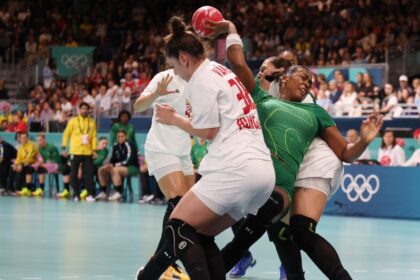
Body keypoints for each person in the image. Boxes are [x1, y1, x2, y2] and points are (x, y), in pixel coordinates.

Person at [206, 19, 383, 280]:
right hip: (258, 178)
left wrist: (365, 141)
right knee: (271, 232)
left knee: (282, 230)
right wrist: (231, 30)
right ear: (284, 78)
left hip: (296, 179)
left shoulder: (315, 111)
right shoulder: (264, 97)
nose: (307, 84)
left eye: (310, 82)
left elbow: (345, 153)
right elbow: (239, 63)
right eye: (303, 78)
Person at [136, 17, 275, 280]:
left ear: (184, 59)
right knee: (199, 233)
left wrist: (174, 119)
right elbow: (236, 57)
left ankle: (149, 276)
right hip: (263, 173)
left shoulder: (201, 80)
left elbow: (208, 132)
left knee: (177, 227)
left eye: (174, 66)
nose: (175, 72)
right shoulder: (223, 72)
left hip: (235, 169)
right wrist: (231, 29)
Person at [133, 51, 195, 279]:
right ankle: (163, 264)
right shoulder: (165, 78)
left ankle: (159, 262)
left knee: (188, 211)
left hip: (183, 151)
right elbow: (138, 106)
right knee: (178, 203)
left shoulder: (200, 81)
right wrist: (156, 94)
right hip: (162, 148)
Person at [61, 102, 98, 202]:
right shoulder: (73, 121)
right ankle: (76, 194)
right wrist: (64, 147)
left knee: (89, 174)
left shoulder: (92, 122)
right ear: (79, 110)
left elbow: (94, 137)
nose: (84, 110)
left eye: (86, 109)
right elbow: (66, 134)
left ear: (88, 110)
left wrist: (94, 150)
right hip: (75, 151)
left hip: (87, 152)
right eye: (82, 109)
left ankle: (90, 194)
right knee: (73, 173)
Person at [97, 130, 138, 202]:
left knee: (115, 169)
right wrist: (108, 165)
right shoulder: (115, 146)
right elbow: (112, 159)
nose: (120, 138)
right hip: (117, 166)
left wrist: (114, 165)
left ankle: (118, 192)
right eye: (118, 137)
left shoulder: (130, 145)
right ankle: (103, 191)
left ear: (126, 137)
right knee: (101, 169)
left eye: (122, 136)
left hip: (131, 167)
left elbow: (129, 160)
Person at [14, 132, 42, 196]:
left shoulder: (32, 145)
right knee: (13, 168)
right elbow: (18, 158)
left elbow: (29, 157)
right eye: (22, 138)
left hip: (33, 163)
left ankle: (26, 188)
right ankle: (12, 188)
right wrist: (16, 165)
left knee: (25, 168)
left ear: (27, 138)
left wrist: (21, 164)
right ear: (20, 139)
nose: (23, 139)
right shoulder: (20, 147)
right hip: (25, 163)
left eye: (25, 137)